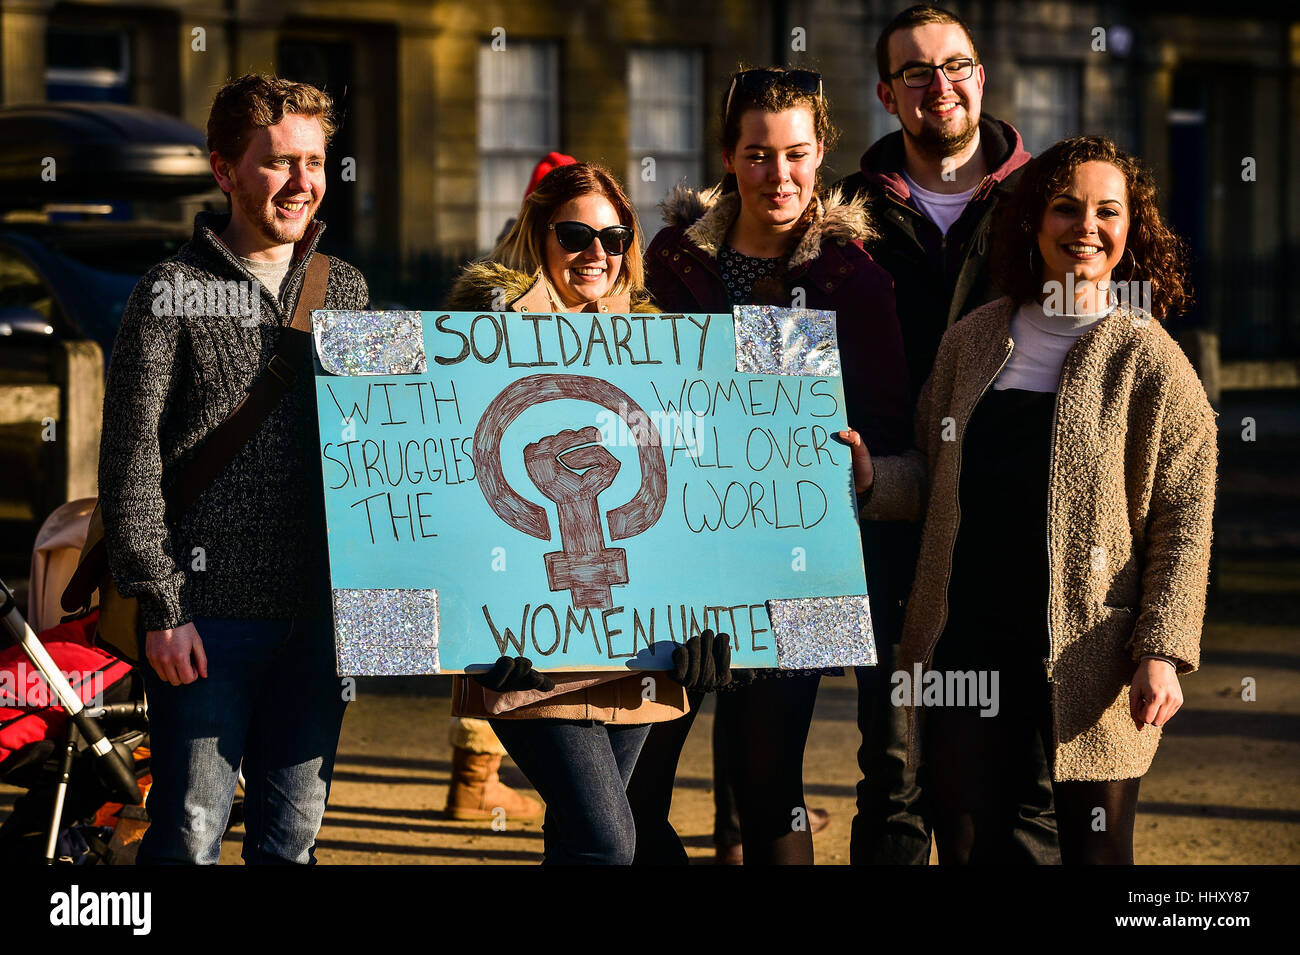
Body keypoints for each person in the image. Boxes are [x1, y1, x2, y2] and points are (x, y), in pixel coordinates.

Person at [840, 135, 1215, 864]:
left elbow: (1185, 522)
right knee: (978, 850)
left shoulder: (1153, 360)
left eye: (1108, 212)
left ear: (1131, 230)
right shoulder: (972, 339)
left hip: (1091, 654)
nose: (1086, 227)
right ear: (1032, 223)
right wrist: (871, 478)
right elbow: (930, 470)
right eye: (1065, 208)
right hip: (966, 641)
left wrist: (1162, 651)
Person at [632, 66, 910, 866]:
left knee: (769, 786)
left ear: (821, 153)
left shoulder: (854, 278)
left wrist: (864, 464)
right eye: (757, 154)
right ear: (728, 154)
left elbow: (889, 429)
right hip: (668, 555)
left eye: (795, 154)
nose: (777, 175)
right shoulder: (672, 260)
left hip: (794, 563)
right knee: (635, 786)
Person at [98, 74, 369, 864]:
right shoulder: (169, 293)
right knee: (187, 837)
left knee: (293, 843)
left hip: (321, 625)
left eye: (315, 162)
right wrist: (160, 605)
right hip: (204, 620)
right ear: (223, 170)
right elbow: (130, 462)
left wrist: (381, 618)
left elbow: (382, 457)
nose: (303, 182)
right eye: (279, 162)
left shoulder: (346, 289)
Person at [444, 161, 731, 865]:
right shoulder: (480, 340)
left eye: (613, 235)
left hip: (636, 650)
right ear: (537, 237)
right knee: (609, 842)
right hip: (530, 651)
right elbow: (448, 495)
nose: (595, 253)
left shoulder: (663, 352)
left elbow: (697, 507)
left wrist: (712, 622)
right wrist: (478, 620)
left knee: (578, 840)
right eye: (574, 235)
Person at [833, 3, 1049, 866]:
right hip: (884, 496)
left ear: (981, 76)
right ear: (888, 94)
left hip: (1010, 506)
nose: (939, 85)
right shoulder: (843, 211)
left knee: (1017, 767)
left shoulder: (1044, 202)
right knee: (890, 769)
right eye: (915, 73)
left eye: (953, 65)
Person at [443, 153, 576, 826]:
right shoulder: (498, 298)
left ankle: (481, 780)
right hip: (518, 501)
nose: (591, 250)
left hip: (543, 499)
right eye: (572, 232)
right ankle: (478, 781)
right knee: (507, 637)